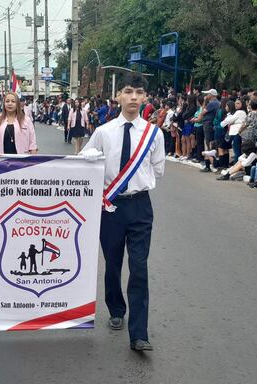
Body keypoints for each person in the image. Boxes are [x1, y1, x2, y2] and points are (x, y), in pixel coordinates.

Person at [80, 73, 166, 351]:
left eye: (138, 93)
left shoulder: (154, 133)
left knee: (139, 267)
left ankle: (139, 333)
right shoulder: (104, 132)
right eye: (127, 91)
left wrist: (137, 180)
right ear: (118, 96)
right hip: (111, 207)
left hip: (140, 205)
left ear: (145, 98)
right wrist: (89, 157)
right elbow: (84, 160)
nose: (132, 97)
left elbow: (158, 169)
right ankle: (116, 308)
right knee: (113, 263)